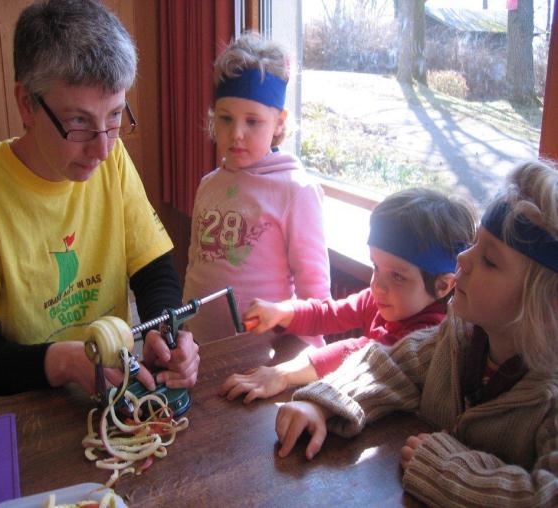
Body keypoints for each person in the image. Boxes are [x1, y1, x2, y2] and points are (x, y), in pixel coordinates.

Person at [275, 160, 558, 506]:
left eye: (490, 261)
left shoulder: (550, 399)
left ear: (548, 307)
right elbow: (389, 367)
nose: (464, 261)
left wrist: (449, 470)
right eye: (474, 245)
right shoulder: (458, 340)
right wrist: (323, 402)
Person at [0, 0, 199, 399]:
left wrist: (165, 332)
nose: (102, 150)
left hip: (113, 396)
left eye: (116, 116)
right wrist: (66, 361)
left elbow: (153, 271)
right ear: (27, 104)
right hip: (24, 412)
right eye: (79, 122)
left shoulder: (111, 158)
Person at [220, 187, 477, 403]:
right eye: (376, 266)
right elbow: (331, 313)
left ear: (443, 286)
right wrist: (284, 311)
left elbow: (362, 351)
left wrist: (283, 374)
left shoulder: (431, 334)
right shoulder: (385, 298)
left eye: (397, 276)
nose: (378, 285)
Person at [183, 32, 331, 344]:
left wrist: (297, 369)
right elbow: (195, 264)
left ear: (278, 123)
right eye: (225, 119)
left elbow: (316, 299)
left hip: (262, 357)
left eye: (252, 122)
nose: (236, 133)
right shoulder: (208, 185)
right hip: (200, 350)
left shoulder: (296, 190)